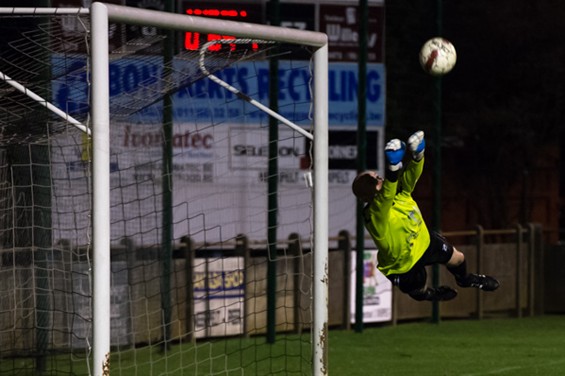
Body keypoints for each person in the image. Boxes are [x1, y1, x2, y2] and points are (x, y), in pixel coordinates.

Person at [351, 131, 499, 301]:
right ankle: (430, 295)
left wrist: (417, 156)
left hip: (425, 243)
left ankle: (465, 280)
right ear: (370, 191)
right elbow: (385, 196)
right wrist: (393, 167)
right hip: (403, 265)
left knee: (458, 259)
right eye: (375, 179)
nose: (380, 177)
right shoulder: (374, 215)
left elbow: (410, 178)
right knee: (418, 292)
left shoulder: (399, 194)